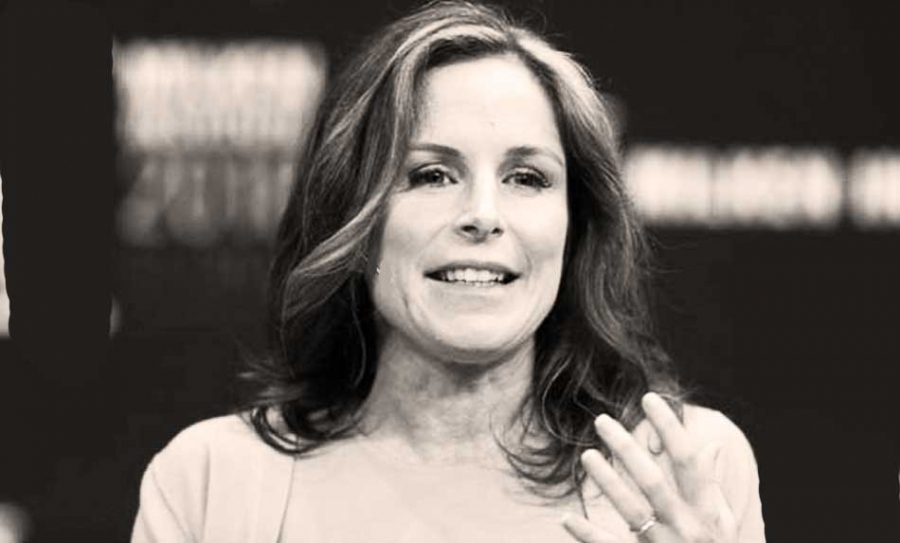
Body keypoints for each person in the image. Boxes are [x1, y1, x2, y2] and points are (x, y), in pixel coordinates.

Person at [131, 1, 764, 542]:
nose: (483, 215)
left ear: (575, 225)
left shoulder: (684, 469)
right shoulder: (211, 482)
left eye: (527, 178)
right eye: (432, 175)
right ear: (354, 216)